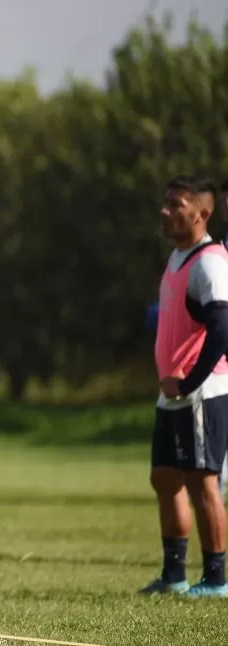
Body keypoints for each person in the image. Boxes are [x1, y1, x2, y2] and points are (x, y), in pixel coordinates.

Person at [140, 176, 228, 598]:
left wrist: (192, 379)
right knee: (164, 477)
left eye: (176, 204)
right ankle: (174, 575)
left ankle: (215, 580)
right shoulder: (178, 257)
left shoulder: (210, 261)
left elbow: (222, 326)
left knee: (201, 481)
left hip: (201, 392)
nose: (166, 211)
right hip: (172, 394)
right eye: (165, 203)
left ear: (203, 213)